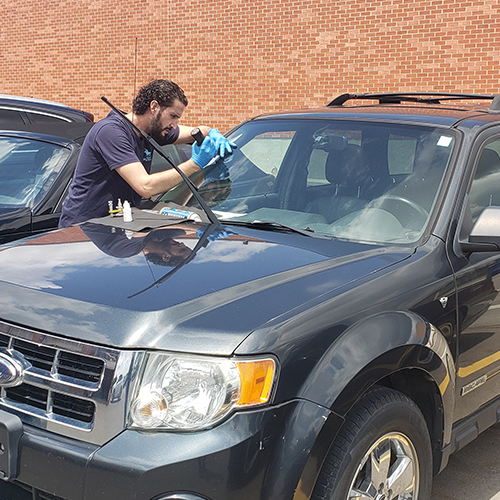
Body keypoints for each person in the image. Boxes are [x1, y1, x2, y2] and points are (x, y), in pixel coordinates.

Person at [59, 79, 235, 228]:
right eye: (173, 116)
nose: (175, 124)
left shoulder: (152, 131)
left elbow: (197, 131)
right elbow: (145, 187)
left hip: (120, 224)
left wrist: (212, 132)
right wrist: (195, 163)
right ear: (154, 106)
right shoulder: (111, 132)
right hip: (84, 228)